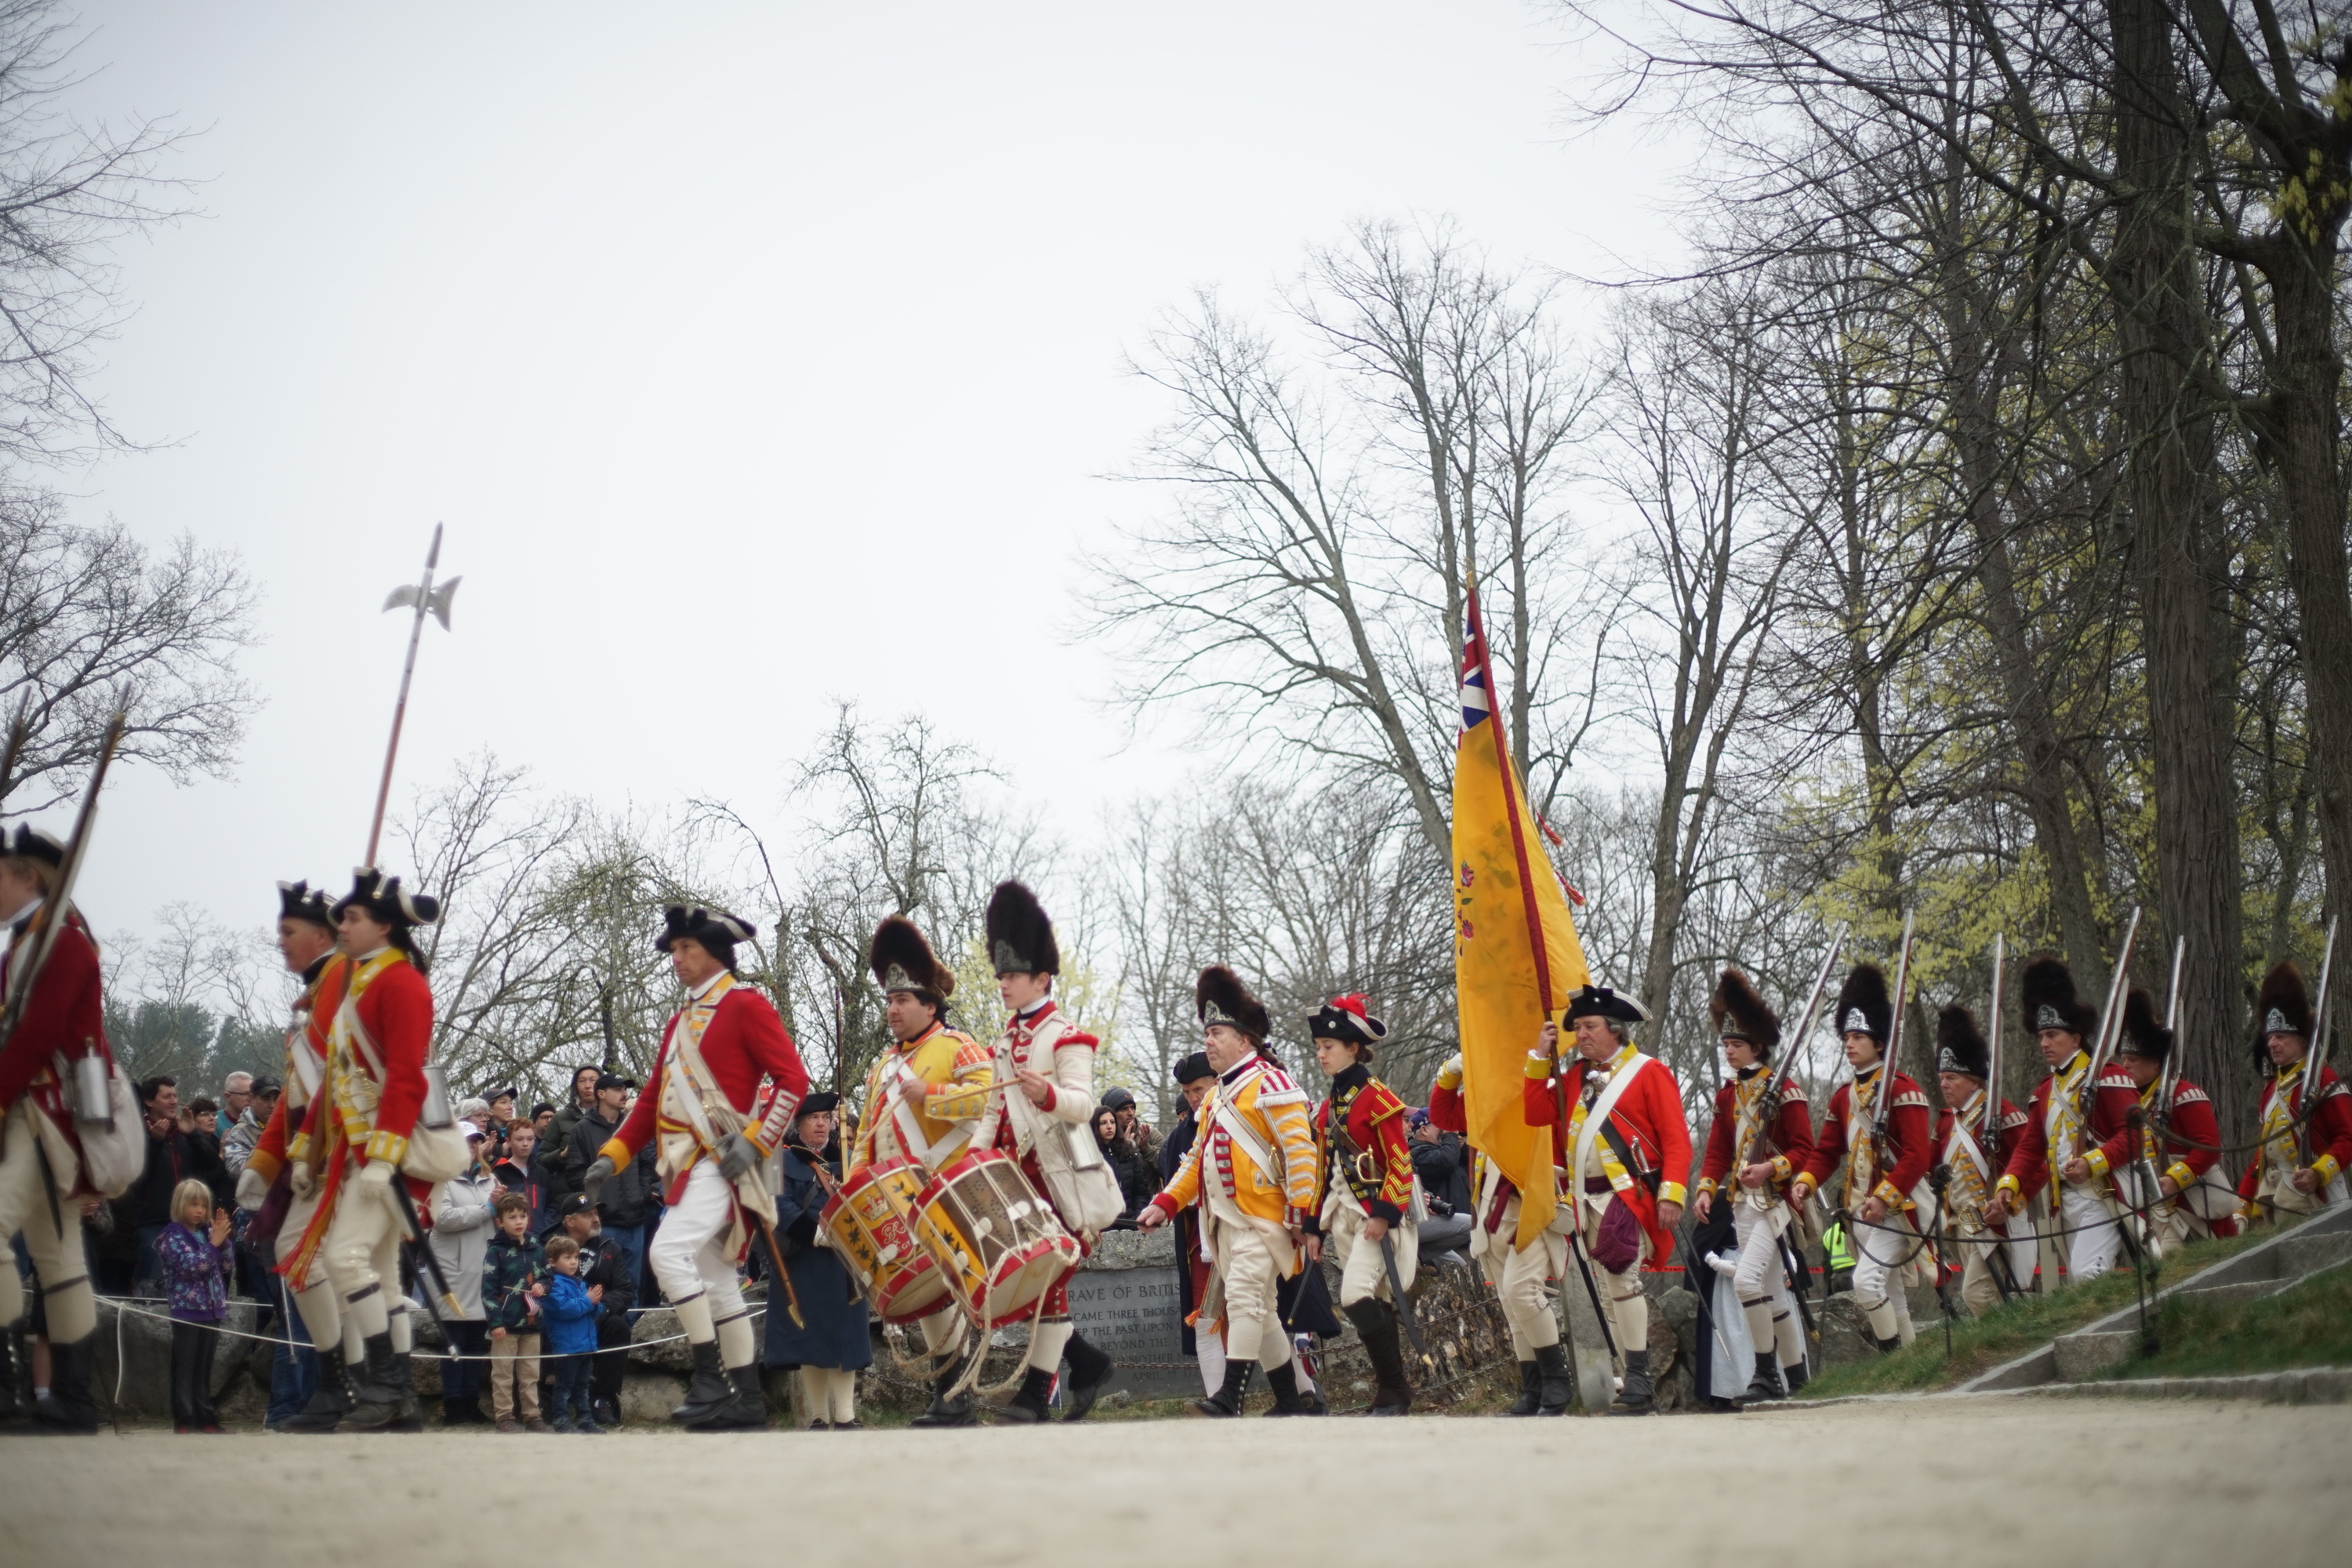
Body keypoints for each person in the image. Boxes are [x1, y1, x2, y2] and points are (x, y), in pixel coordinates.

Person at [580, 905, 808, 1432]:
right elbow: (653, 1101)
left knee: (667, 1253)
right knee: (716, 1280)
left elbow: (792, 1081)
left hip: (723, 1162)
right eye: (675, 950)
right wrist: (611, 1157)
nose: (677, 958)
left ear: (714, 954)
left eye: (687, 949)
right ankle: (747, 1400)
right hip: (685, 1166)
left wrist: (755, 1142)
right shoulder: (680, 1021)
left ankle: (709, 1378)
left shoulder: (746, 1006)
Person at [278, 866, 448, 1432]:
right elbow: (337, 1079)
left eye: (350, 918)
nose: (341, 926)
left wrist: (383, 1156)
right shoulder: (363, 980)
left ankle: (386, 1389)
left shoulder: (400, 983)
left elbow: (405, 1077)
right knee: (384, 1275)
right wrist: (306, 1148)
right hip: (360, 1150)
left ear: (383, 926)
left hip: (386, 1152)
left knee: (343, 1258)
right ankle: (398, 1403)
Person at [1138, 966, 1321, 1417]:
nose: (1209, 1041)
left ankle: (1228, 1399)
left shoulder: (1271, 1084)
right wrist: (1164, 1203)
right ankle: (1296, 1400)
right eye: (1207, 1033)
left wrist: (1302, 1217)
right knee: (1262, 1309)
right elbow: (1195, 1162)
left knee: (1241, 1298)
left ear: (1245, 1040)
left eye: (1217, 1032)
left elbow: (1302, 1156)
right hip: (1228, 1224)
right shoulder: (1219, 1096)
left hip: (1267, 1220)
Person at [844, 913, 992, 1426]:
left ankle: (960, 1396)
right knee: (928, 1298)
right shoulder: (883, 1066)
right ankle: (952, 1395)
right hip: (899, 1198)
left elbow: (988, 1102)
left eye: (902, 1000)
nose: (893, 1009)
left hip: (949, 1188)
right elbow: (867, 1133)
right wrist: (853, 1186)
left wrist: (932, 1094)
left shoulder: (958, 1046)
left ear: (930, 1005)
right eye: (888, 1000)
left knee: (956, 1293)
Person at [0, 823, 120, 1433]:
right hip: (31, 1109)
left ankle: (21, 1392)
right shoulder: (29, 944)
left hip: (45, 1113)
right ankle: (68, 1402)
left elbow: (39, 1036)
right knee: (57, 1254)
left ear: (28, 876)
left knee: (44, 1248)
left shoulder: (63, 942)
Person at [1528, 983, 1691, 1415]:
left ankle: (1638, 1380)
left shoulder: (1648, 1072)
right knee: (1608, 1293)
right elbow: (1536, 1114)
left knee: (1623, 1282)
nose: (1580, 1035)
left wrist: (1672, 1194)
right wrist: (1538, 1057)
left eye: (1589, 1026)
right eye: (1577, 1027)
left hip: (1629, 1195)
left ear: (1615, 1029)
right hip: (1584, 1198)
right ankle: (1636, 1386)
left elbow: (1676, 1139)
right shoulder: (1574, 1077)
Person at [230, 880, 354, 1434]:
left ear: (322, 934)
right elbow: (294, 1098)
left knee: (305, 1255)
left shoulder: (340, 985)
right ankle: (350, 1384)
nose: (280, 941)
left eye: (289, 931)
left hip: (344, 1152)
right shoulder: (313, 998)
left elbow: (342, 1084)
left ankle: (342, 1385)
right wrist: (263, 1163)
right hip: (316, 1153)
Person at [1795, 963, 1934, 1353]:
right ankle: (1911, 1363)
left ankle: (1890, 1362)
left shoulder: (1902, 1090)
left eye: (1858, 1036)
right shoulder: (1843, 1097)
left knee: (1866, 1283)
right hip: (1860, 1210)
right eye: (1847, 1036)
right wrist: (1806, 1181)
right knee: (1890, 1290)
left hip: (1895, 1208)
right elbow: (1826, 1152)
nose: (1849, 1043)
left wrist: (1883, 1196)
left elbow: (1917, 1157)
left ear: (1878, 1042)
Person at [1691, 969, 1816, 1401]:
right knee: (1766, 1291)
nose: (1728, 1051)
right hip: (1742, 1204)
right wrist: (1706, 1188)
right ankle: (1797, 1380)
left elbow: (1806, 1149)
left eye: (1736, 1044)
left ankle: (1765, 1376)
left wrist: (1771, 1169)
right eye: (1726, 1044)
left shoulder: (1785, 1092)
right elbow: (1717, 1150)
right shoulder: (1729, 1096)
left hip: (1776, 1205)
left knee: (1745, 1283)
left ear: (1756, 1047)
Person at [1301, 994, 1417, 1417]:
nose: (1321, 1054)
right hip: (1344, 1221)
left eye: (1328, 1047)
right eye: (1318, 1048)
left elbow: (1401, 1164)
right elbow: (1321, 1173)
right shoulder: (1328, 1108)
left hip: (1376, 1218)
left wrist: (1385, 1215)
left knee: (1353, 1296)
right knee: (1375, 1302)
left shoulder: (1378, 1098)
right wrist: (1312, 1226)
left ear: (1352, 1048)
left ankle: (1396, 1388)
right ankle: (1394, 1394)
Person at [1992, 956, 2137, 1287]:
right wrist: (2007, 1186)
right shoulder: (2046, 1091)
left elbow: (2133, 1136)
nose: (2044, 1042)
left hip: (2105, 1194)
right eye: (2042, 1035)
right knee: (2082, 1278)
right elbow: (2030, 1149)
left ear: (2075, 1038)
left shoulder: (2106, 1076)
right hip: (2065, 1202)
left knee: (2088, 1274)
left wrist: (2092, 1162)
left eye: (2053, 1034)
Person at [763, 1094, 869, 1428]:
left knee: (846, 1338)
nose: (822, 1123)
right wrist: (819, 1235)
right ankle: (819, 1418)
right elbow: (777, 1208)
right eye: (814, 1118)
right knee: (811, 1342)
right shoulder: (775, 1161)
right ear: (798, 1125)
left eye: (826, 1117)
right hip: (803, 1260)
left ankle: (846, 1417)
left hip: (843, 1263)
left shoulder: (850, 1161)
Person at [1928, 1004, 2032, 1316]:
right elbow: (1930, 1169)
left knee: (1977, 1295)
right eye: (1943, 1077)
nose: (1944, 1084)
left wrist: (2009, 1203)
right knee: (1987, 1300)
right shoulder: (1945, 1123)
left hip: (1993, 1224)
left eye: (1952, 1078)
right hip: (1961, 1225)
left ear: (1974, 1081)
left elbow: (2031, 1164)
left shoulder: (2003, 1115)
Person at [2237, 960, 2352, 1222]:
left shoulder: (2323, 1078)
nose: (2272, 1043)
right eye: (2270, 1037)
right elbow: (2262, 1154)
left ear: (2301, 1041)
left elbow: (2347, 1137)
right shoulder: (2271, 1089)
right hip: (2273, 1190)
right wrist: (2242, 1203)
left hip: (2315, 1192)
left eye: (2281, 1037)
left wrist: (2320, 1172)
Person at [1157, 1051, 1222, 1394]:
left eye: (1198, 1089)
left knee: (1264, 1316)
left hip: (1246, 1235)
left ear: (1216, 1081)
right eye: (1186, 1092)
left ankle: (1300, 1393)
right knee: (1205, 1320)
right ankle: (1218, 1402)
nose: (1193, 1098)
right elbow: (1174, 1184)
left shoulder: (1239, 1116)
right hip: (1201, 1242)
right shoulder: (1179, 1137)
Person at [428, 1126, 497, 1425]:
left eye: (475, 1143)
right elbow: (442, 1219)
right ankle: (453, 1405)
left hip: (482, 1270)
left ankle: (470, 1402)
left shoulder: (489, 1178)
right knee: (454, 1340)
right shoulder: (440, 1179)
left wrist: (504, 1206)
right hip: (453, 1273)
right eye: (466, 1142)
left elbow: (496, 1215)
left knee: (475, 1341)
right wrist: (488, 1208)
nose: (471, 1148)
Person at [546, 1193, 635, 1426]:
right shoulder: (548, 1246)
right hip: (559, 1317)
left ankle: (603, 1400)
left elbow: (625, 1291)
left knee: (618, 1327)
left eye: (596, 1214)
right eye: (587, 1215)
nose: (595, 1219)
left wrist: (601, 1309)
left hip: (597, 1315)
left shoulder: (610, 1246)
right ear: (569, 1221)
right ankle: (547, 1398)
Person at [564, 1073, 650, 1305]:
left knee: (633, 1284)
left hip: (636, 1220)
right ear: (601, 1094)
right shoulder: (583, 1128)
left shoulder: (633, 1124)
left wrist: (640, 1194)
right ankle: (604, 1336)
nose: (624, 1093)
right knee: (600, 1282)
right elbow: (575, 1172)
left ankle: (630, 1335)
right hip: (604, 1222)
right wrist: (595, 1202)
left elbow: (647, 1164)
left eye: (625, 1088)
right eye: (617, 1088)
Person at [156, 1178, 233, 1433]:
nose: (199, 1210)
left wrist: (223, 1241)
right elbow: (192, 1267)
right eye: (193, 1204)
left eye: (203, 1205)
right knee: (185, 1366)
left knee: (204, 1368)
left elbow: (226, 1267)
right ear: (180, 1205)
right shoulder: (171, 1236)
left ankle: (205, 1416)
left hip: (211, 1310)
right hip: (187, 1310)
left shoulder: (205, 1234)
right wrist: (214, 1244)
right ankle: (184, 1418)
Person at [483, 1189, 549, 1433]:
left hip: (532, 1322)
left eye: (523, 1216)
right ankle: (504, 1417)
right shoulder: (495, 1252)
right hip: (505, 1325)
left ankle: (533, 1416)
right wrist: (495, 1322)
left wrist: (544, 1285)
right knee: (503, 1373)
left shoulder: (536, 1247)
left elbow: (546, 1276)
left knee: (530, 1372)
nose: (519, 1221)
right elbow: (488, 1290)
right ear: (499, 1222)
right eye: (512, 1217)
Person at [539, 1234, 603, 1432]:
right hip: (567, 1345)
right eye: (567, 1258)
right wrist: (589, 1301)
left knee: (583, 1385)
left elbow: (593, 1311)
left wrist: (596, 1303)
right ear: (552, 1262)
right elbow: (564, 1309)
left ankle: (585, 1418)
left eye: (576, 1257)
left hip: (585, 1344)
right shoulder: (553, 1286)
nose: (574, 1262)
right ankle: (560, 1418)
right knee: (564, 1385)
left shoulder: (580, 1283)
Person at [493, 1120, 552, 1236]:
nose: (525, 1144)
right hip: (510, 1240)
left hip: (539, 1238)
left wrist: (545, 1227)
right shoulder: (499, 1171)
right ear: (508, 1142)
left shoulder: (542, 1172)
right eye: (519, 1139)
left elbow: (551, 1205)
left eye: (530, 1139)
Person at [1096, 1111, 1155, 1219]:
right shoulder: (1091, 1157)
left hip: (1130, 1223)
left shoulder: (1127, 1153)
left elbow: (1141, 1191)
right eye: (1103, 1123)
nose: (1109, 1126)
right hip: (1102, 1225)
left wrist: (1136, 1217)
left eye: (1112, 1122)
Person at [549, 1064, 602, 1163]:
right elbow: (541, 1160)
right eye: (582, 1081)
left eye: (593, 1080)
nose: (587, 1086)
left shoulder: (613, 1116)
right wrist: (562, 1154)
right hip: (570, 1176)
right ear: (575, 1086)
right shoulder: (560, 1118)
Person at [1102, 1085, 1160, 1167]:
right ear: (1112, 1114)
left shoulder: (1151, 1135)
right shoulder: (1104, 1139)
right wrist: (1122, 1148)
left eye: (1132, 1108)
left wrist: (1146, 1149)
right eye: (1124, 1109)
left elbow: (1168, 1168)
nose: (1131, 1113)